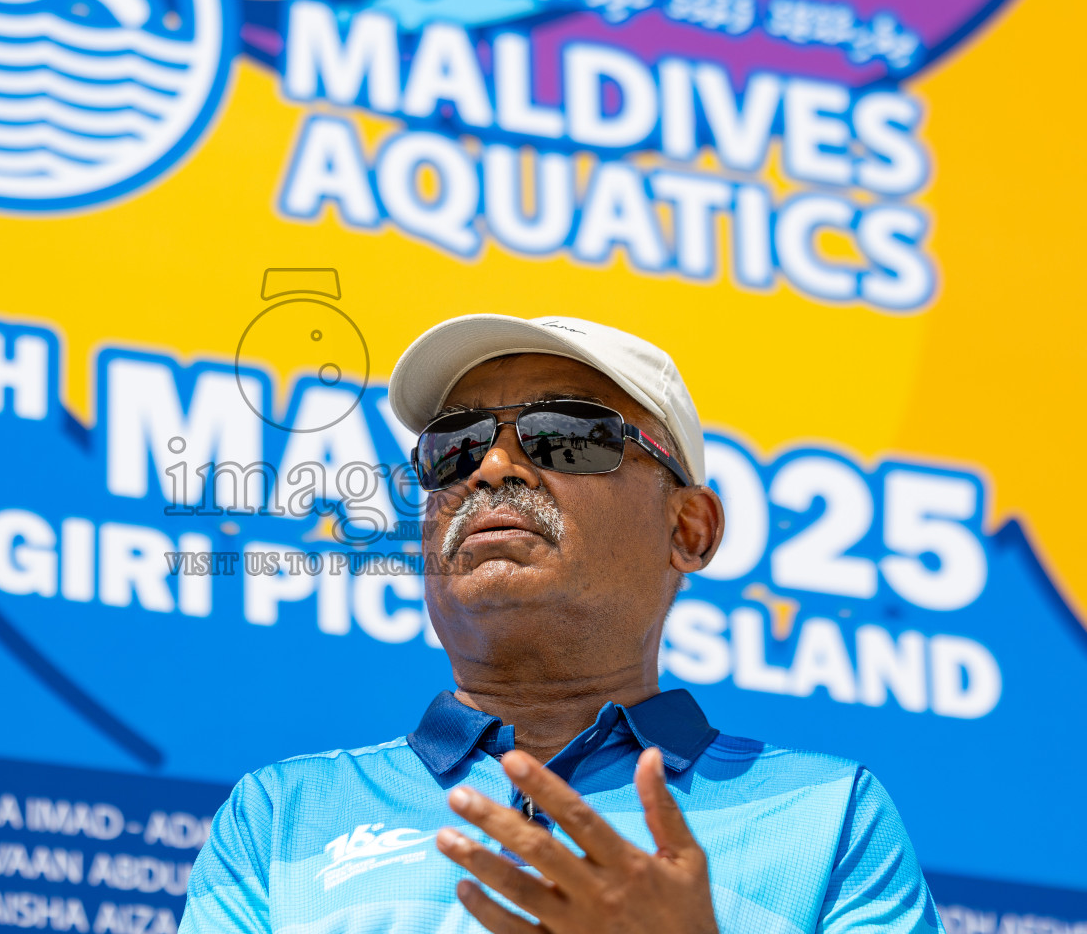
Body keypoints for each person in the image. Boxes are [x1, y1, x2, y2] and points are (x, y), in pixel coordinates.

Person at [179, 313, 942, 934]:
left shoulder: (831, 819)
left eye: (566, 435)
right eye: (454, 449)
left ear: (689, 530)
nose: (492, 468)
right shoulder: (280, 819)